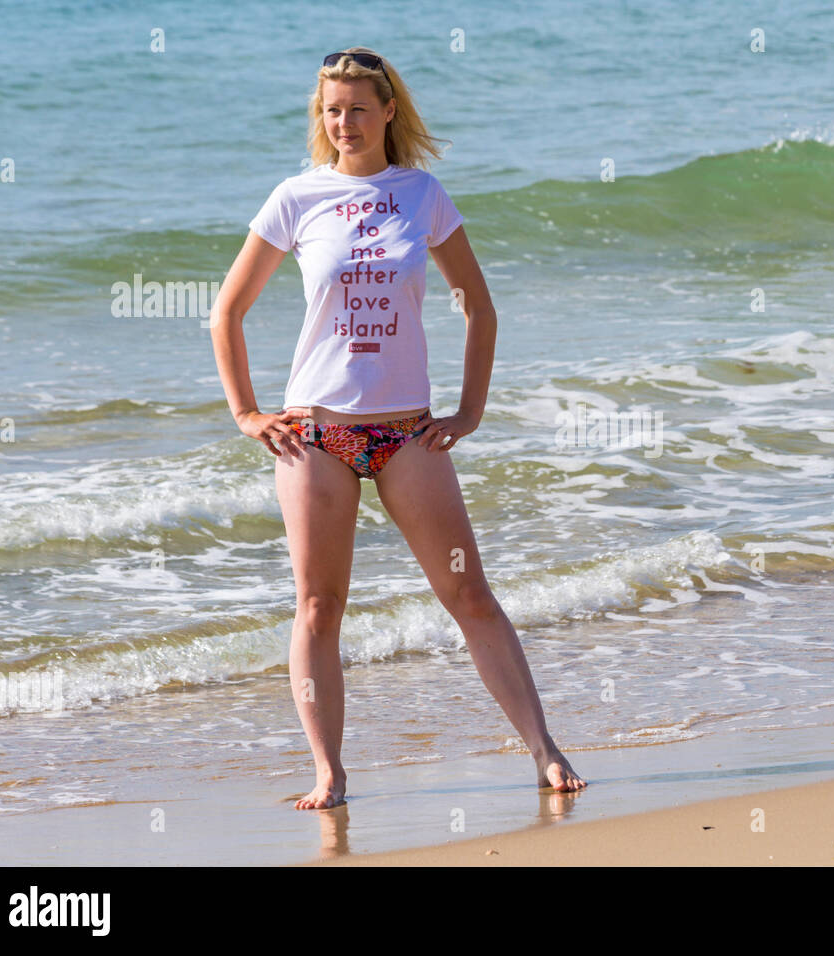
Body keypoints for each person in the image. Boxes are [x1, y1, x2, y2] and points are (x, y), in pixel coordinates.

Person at [210, 46, 586, 810]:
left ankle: (544, 750)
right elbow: (228, 310)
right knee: (319, 607)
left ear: (387, 112)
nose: (342, 122)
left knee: (469, 595)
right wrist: (247, 413)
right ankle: (330, 773)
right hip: (315, 437)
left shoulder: (421, 195)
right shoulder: (296, 197)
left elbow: (478, 306)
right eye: (330, 110)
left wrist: (469, 409)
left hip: (407, 436)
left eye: (355, 108)